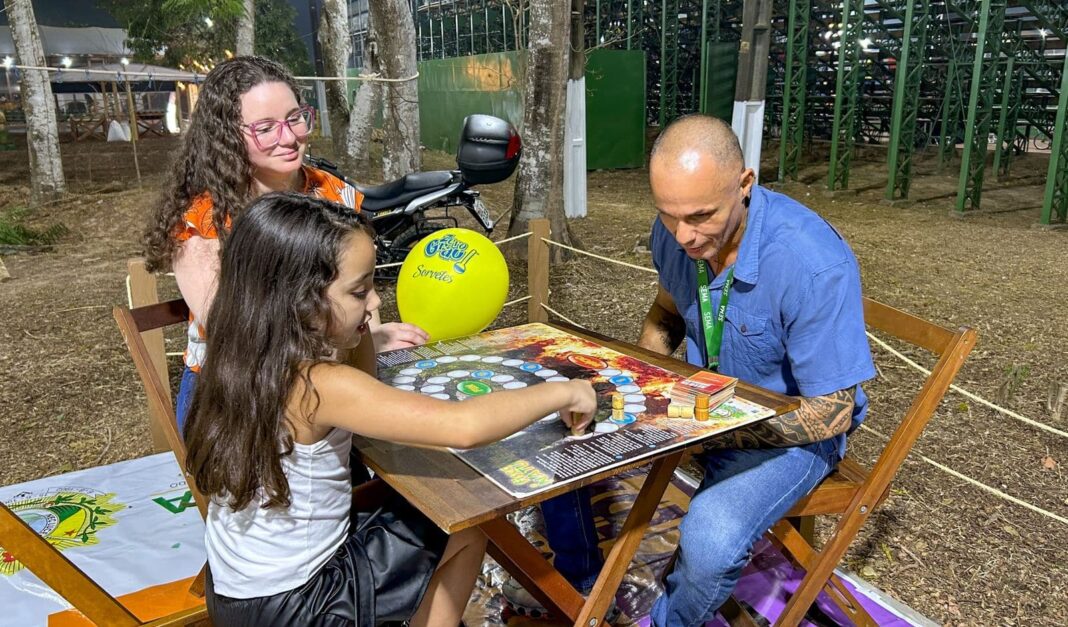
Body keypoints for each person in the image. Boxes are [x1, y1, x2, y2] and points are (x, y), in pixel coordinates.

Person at [513, 114, 876, 626]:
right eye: (668, 215)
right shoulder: (679, 234)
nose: (683, 236)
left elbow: (832, 413)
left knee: (710, 538)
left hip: (792, 432)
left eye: (702, 216)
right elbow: (667, 312)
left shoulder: (809, 262)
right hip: (702, 402)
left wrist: (707, 434)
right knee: (561, 420)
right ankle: (584, 586)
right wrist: (637, 382)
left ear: (745, 185)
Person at [185, 192, 598, 626]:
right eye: (360, 290)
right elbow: (465, 427)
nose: (377, 302)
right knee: (465, 525)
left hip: (237, 596)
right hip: (302, 606)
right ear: (301, 302)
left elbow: (366, 374)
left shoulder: (242, 358)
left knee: (424, 509)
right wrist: (564, 391)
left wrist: (355, 321)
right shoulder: (318, 384)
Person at [142, 56, 427, 432]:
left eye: (295, 118)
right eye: (265, 127)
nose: (290, 137)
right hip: (233, 392)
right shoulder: (202, 219)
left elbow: (354, 287)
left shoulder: (331, 192)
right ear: (226, 135)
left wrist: (365, 339)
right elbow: (236, 329)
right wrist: (355, 339)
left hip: (334, 371)